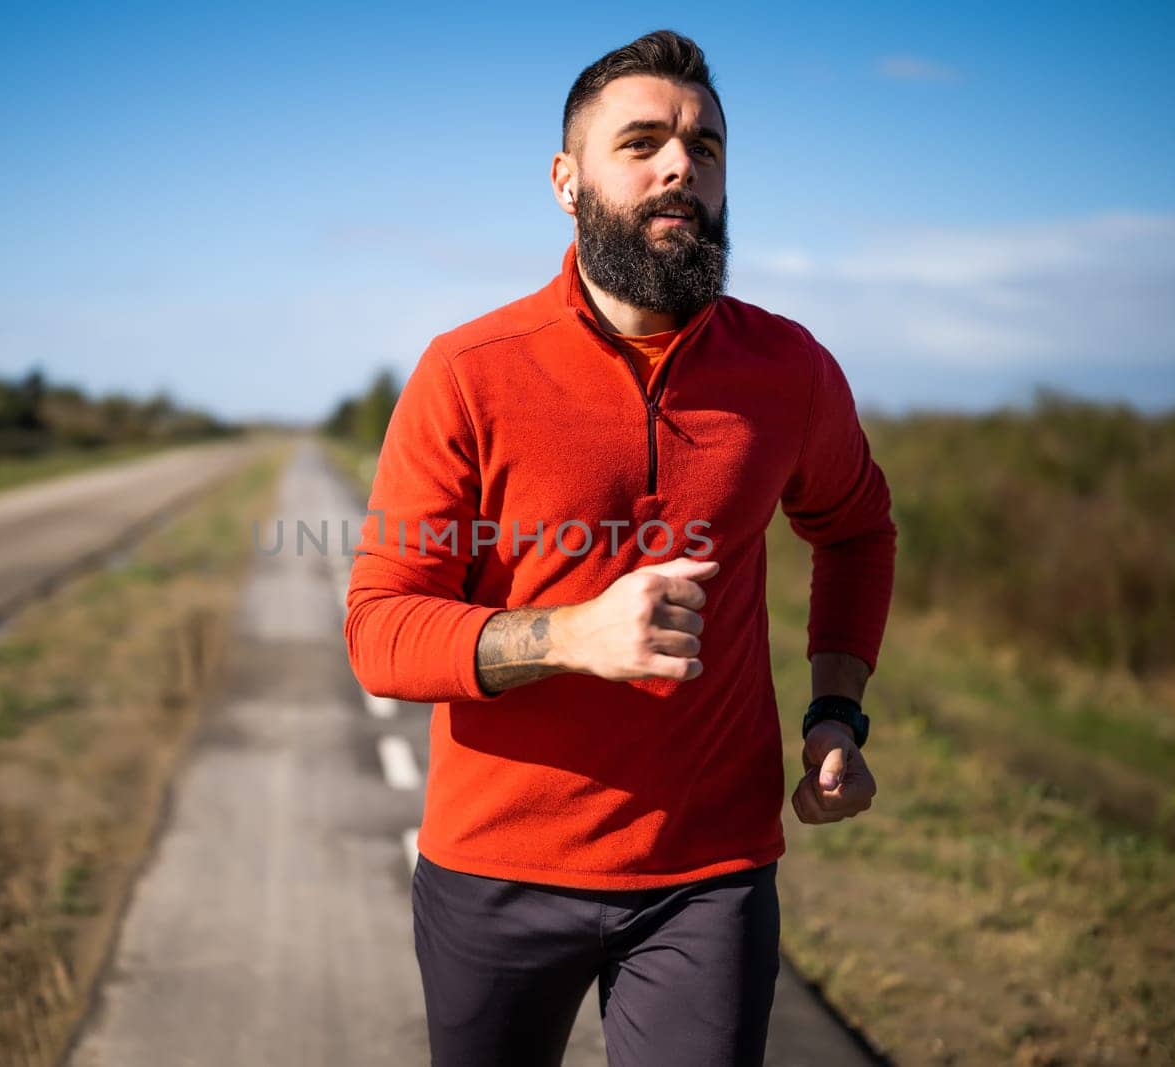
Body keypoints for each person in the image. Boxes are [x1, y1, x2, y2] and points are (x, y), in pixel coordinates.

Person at [344, 28, 896, 1067]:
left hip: (708, 874)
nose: (681, 163)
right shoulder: (467, 371)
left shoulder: (788, 369)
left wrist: (835, 711)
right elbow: (380, 631)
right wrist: (570, 634)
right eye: (640, 141)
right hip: (492, 874)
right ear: (566, 179)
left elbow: (857, 529)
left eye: (705, 146)